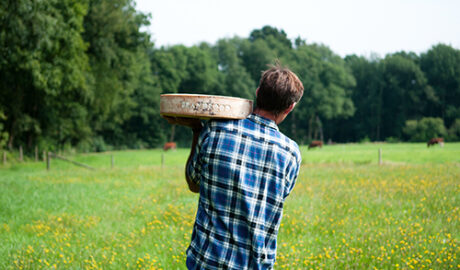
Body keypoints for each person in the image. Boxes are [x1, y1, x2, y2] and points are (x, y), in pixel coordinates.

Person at [164, 64, 304, 269]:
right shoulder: (291, 153)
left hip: (206, 262)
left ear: (257, 94)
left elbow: (193, 183)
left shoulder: (214, 130)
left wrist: (196, 130)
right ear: (290, 107)